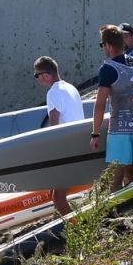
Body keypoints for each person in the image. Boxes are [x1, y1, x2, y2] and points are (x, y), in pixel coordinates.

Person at [89, 25, 133, 191]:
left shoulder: (108, 69)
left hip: (121, 129)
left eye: (102, 45)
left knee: (115, 180)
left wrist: (95, 134)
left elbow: (100, 104)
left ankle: (111, 214)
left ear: (107, 45)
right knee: (130, 171)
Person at [34, 56, 84, 215]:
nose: (37, 80)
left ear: (46, 75)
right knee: (54, 192)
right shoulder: (71, 88)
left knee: (57, 196)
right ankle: (65, 226)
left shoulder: (53, 93)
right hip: (80, 143)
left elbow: (54, 129)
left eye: (37, 75)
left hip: (66, 148)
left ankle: (75, 231)